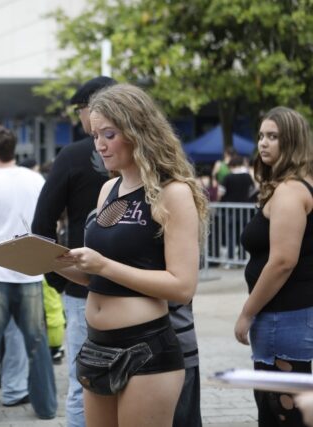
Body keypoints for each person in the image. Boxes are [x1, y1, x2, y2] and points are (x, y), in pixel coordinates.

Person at [56, 83, 209, 427]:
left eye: (108, 134)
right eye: (95, 135)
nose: (99, 144)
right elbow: (98, 276)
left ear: (137, 131)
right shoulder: (107, 190)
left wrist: (104, 265)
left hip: (145, 349)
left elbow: (182, 286)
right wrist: (52, 264)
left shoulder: (173, 193)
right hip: (96, 345)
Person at [32, 75, 115, 427]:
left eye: (81, 110)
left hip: (84, 286)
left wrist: (57, 277)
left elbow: (42, 225)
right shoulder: (148, 152)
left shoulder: (72, 154)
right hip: (141, 287)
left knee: (84, 383)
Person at [0, 124, 57, 423]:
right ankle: (46, 408)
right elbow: (46, 222)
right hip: (29, 273)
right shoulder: (36, 179)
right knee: (37, 345)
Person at [234, 106, 313, 426]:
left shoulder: (290, 191)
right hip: (289, 317)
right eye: (262, 136)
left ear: (291, 141)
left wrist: (246, 312)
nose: (263, 143)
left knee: (282, 414)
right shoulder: (296, 186)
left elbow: (282, 261)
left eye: (273, 137)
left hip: (284, 319)